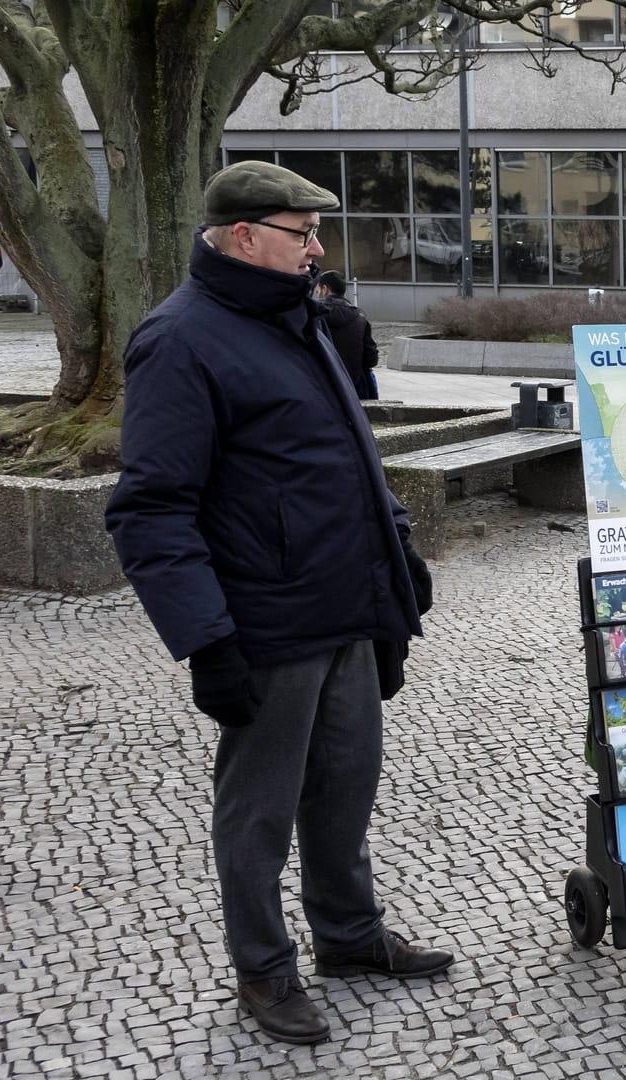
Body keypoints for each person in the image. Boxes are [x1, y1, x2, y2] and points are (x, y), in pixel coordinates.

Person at [102, 161, 452, 1046]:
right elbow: (150, 508)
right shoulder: (179, 340)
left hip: (345, 610)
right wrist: (205, 641)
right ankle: (264, 968)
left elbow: (349, 459)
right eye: (304, 231)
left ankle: (348, 935)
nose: (318, 247)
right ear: (247, 236)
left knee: (347, 787)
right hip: (263, 623)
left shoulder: (301, 320)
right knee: (257, 811)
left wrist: (396, 559)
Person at [313, 270, 379, 400]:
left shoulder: (313, 314)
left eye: (318, 290)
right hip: (353, 389)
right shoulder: (360, 318)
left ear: (325, 289)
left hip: (320, 386)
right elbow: (371, 359)